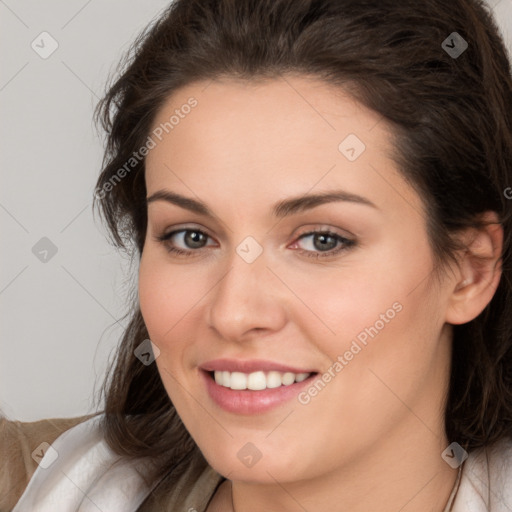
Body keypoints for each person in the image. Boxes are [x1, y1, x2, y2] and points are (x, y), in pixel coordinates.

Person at [2, 0, 512, 510]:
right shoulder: (43, 481)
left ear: (470, 270)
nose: (233, 313)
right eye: (191, 237)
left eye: (321, 240)